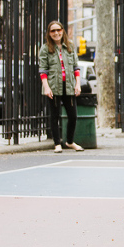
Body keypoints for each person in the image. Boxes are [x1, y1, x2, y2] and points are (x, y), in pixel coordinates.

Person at [38, 20, 84, 153]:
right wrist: (46, 87)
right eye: (53, 31)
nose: (56, 33)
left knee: (73, 115)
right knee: (54, 116)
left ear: (62, 31)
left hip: (68, 85)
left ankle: (69, 141)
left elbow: (76, 67)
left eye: (58, 30)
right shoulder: (45, 48)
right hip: (53, 86)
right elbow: (43, 70)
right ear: (49, 33)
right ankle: (57, 143)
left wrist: (78, 84)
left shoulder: (69, 46)